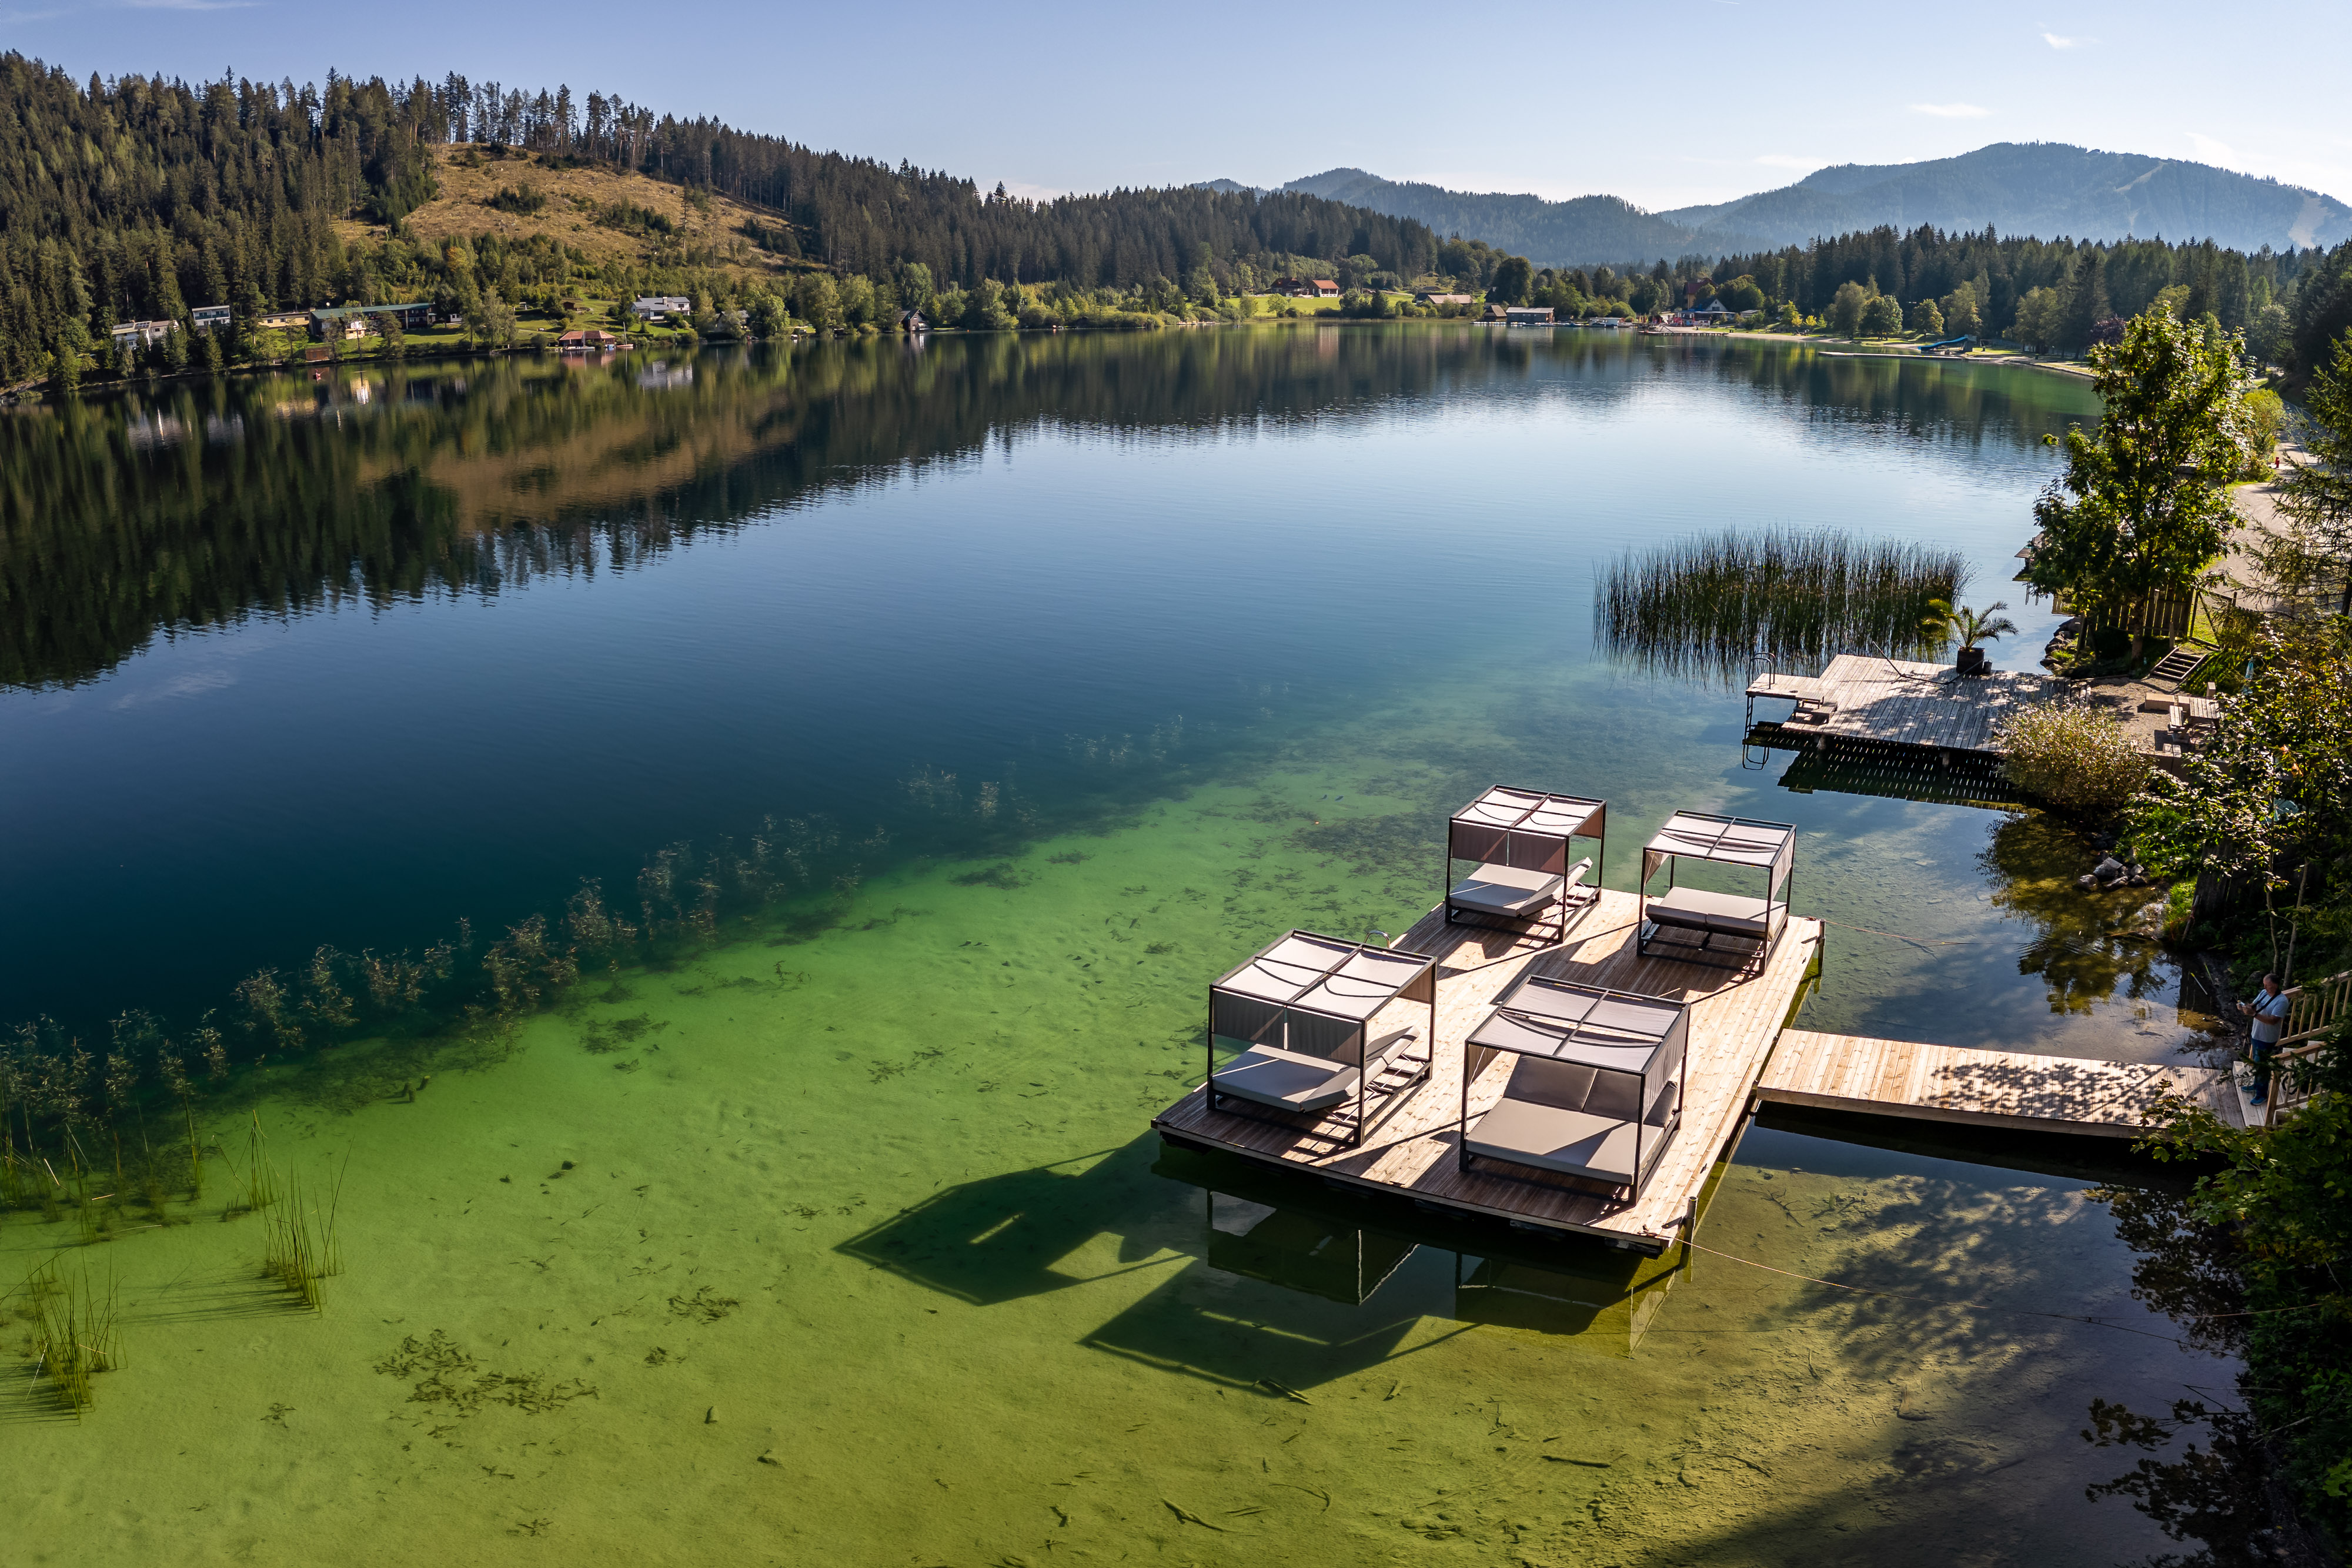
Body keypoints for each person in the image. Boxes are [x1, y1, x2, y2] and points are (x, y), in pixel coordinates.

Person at [2237, 972, 2292, 1106]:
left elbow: (2273, 1021)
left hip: (2267, 1038)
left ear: (2274, 985)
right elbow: (2254, 1005)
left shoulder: (2282, 1001)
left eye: (2267, 985)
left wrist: (2254, 1014)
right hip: (2257, 1034)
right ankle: (2256, 1085)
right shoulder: (2263, 993)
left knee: (2262, 1065)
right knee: (2257, 1062)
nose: (2265, 987)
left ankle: (2262, 1094)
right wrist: (2245, 1007)